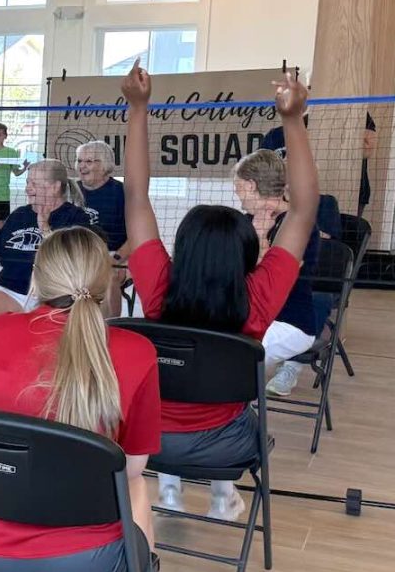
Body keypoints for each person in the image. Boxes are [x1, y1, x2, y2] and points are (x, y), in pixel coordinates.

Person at [121, 60, 317, 520]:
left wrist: (137, 109)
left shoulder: (158, 287)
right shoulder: (258, 299)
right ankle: (223, 495)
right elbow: (305, 210)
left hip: (146, 441)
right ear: (246, 255)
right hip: (222, 444)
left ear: (182, 248)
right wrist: (292, 120)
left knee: (166, 398)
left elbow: (134, 196)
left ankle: (168, 486)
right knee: (245, 413)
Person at [0, 226, 160, 572]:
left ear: (36, 277)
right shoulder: (137, 351)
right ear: (106, 281)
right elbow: (132, 467)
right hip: (87, 571)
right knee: (136, 482)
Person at [0, 160, 95, 346]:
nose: (27, 189)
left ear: (55, 187)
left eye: (34, 184)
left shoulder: (76, 217)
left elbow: (75, 261)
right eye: (27, 183)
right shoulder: (19, 215)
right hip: (12, 291)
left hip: (55, 296)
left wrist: (45, 229)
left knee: (39, 341)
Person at [234, 151, 319, 397]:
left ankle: (235, 423)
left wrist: (260, 236)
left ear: (251, 185)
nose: (238, 196)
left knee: (232, 353)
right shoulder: (245, 220)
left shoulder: (297, 225)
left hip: (290, 321)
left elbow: (275, 279)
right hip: (248, 314)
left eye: (238, 188)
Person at [76, 141, 129, 318]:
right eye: (79, 161)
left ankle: (111, 326)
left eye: (89, 162)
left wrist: (117, 258)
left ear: (104, 164)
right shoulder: (71, 190)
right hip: (78, 254)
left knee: (108, 276)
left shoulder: (122, 193)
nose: (82, 166)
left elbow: (137, 237)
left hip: (114, 255)